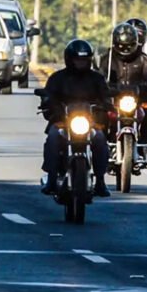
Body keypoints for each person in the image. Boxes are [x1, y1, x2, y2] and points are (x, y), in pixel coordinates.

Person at [41, 39, 112, 197]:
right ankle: (51, 178)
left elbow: (106, 97)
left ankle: (100, 180)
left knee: (100, 140)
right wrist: (50, 105)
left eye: (84, 60)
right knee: (53, 137)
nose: (81, 63)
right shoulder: (58, 78)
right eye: (77, 60)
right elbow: (48, 96)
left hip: (89, 123)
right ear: (69, 59)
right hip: (63, 122)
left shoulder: (97, 79)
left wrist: (106, 106)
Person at [99, 21, 147, 168]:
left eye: (129, 45)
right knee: (98, 111)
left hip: (137, 99)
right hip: (113, 99)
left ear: (136, 43)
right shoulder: (107, 59)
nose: (125, 49)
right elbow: (98, 78)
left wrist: (141, 88)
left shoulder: (143, 59)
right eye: (122, 46)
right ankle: (100, 147)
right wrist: (107, 87)